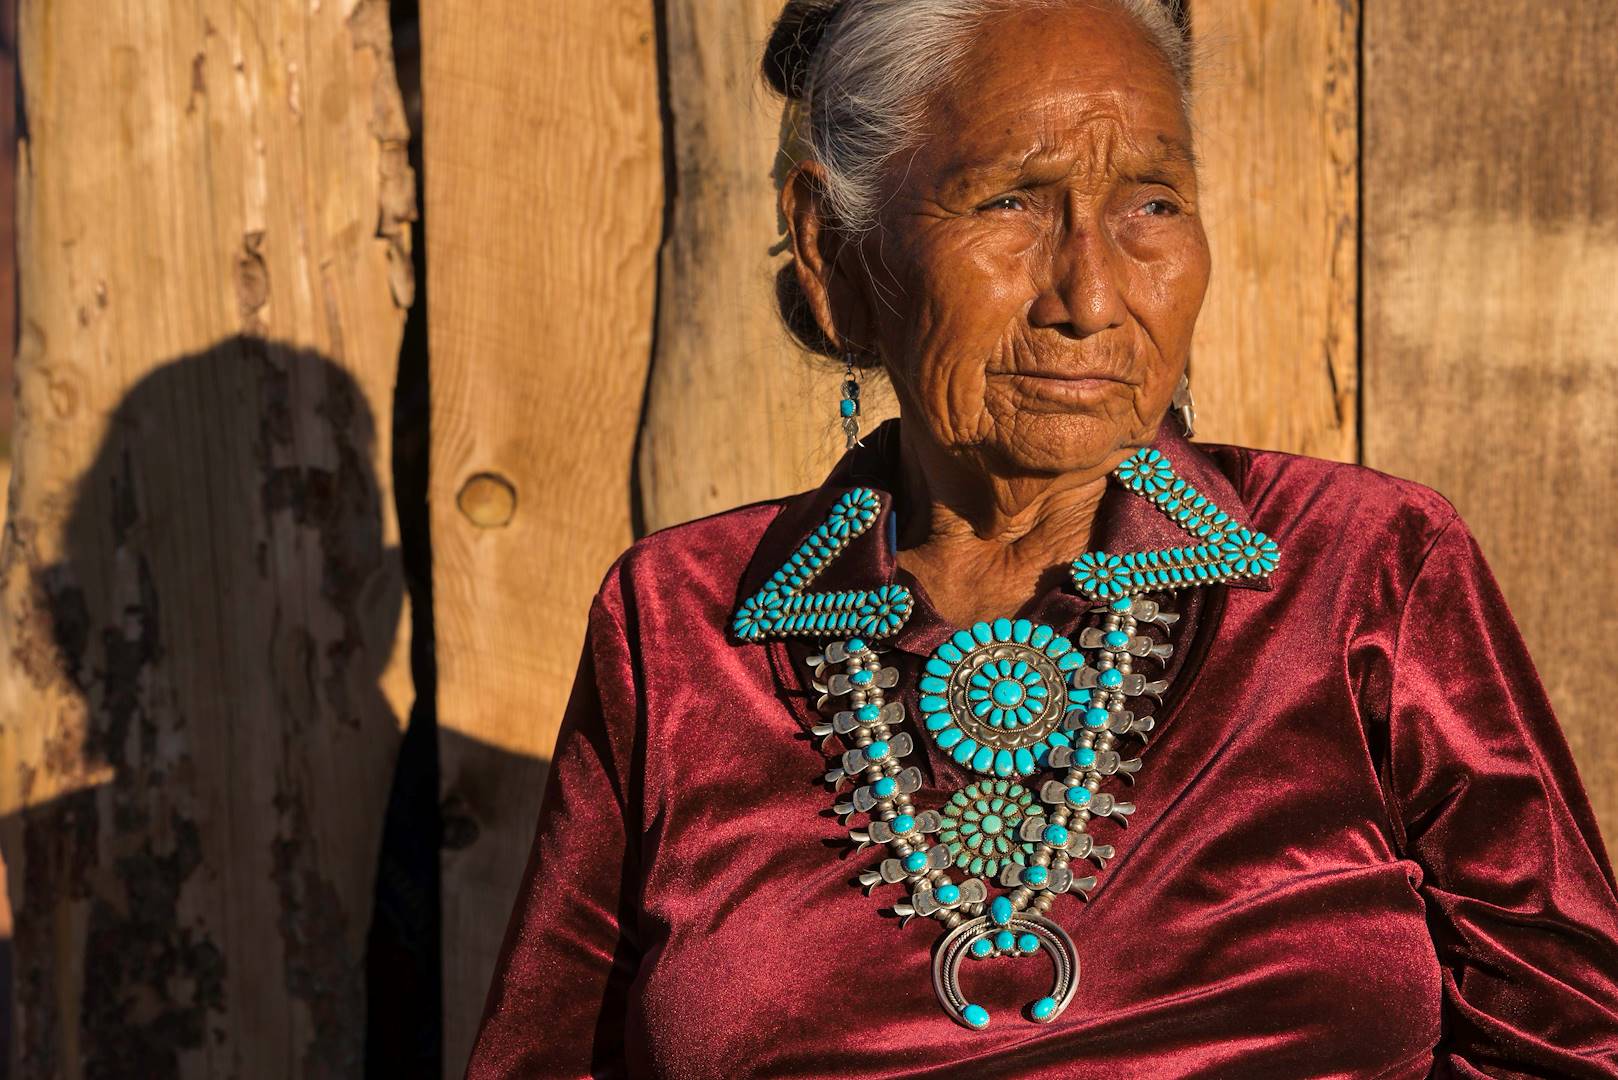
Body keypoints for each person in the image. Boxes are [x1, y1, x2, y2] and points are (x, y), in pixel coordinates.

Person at [465, 1, 1618, 1075]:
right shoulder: (680, 623)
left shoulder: (1362, 569)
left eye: (1151, 203)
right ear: (831, 248)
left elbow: (1571, 1037)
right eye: (1011, 202)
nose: (1092, 296)